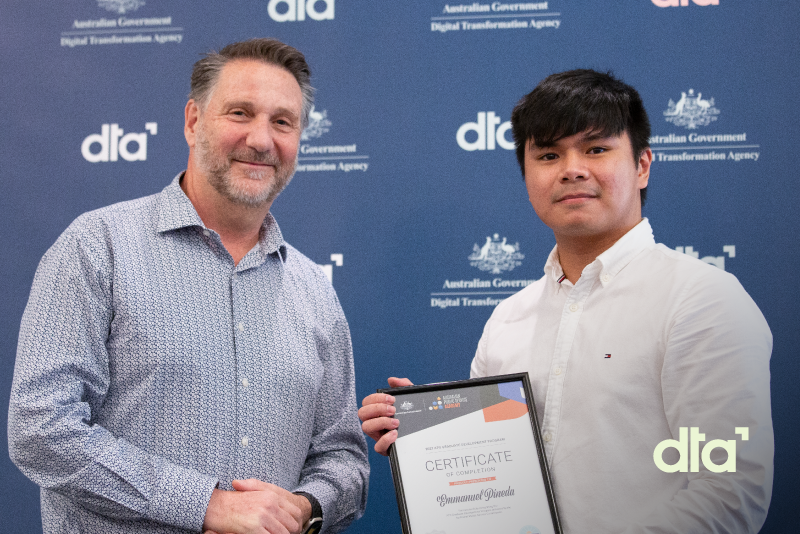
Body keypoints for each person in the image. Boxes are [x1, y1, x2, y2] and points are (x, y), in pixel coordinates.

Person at [360, 70, 773, 533]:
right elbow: (494, 489)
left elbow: (728, 493)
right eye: (549, 154)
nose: (571, 169)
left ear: (642, 165)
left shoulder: (701, 301)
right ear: (527, 174)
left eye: (596, 149)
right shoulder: (508, 319)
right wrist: (430, 437)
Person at [8, 38, 368, 534]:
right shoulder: (97, 247)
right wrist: (207, 505)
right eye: (240, 113)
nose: (262, 140)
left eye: (282, 122)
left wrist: (304, 507)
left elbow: (342, 457)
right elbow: (42, 430)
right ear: (194, 121)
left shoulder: (314, 290)